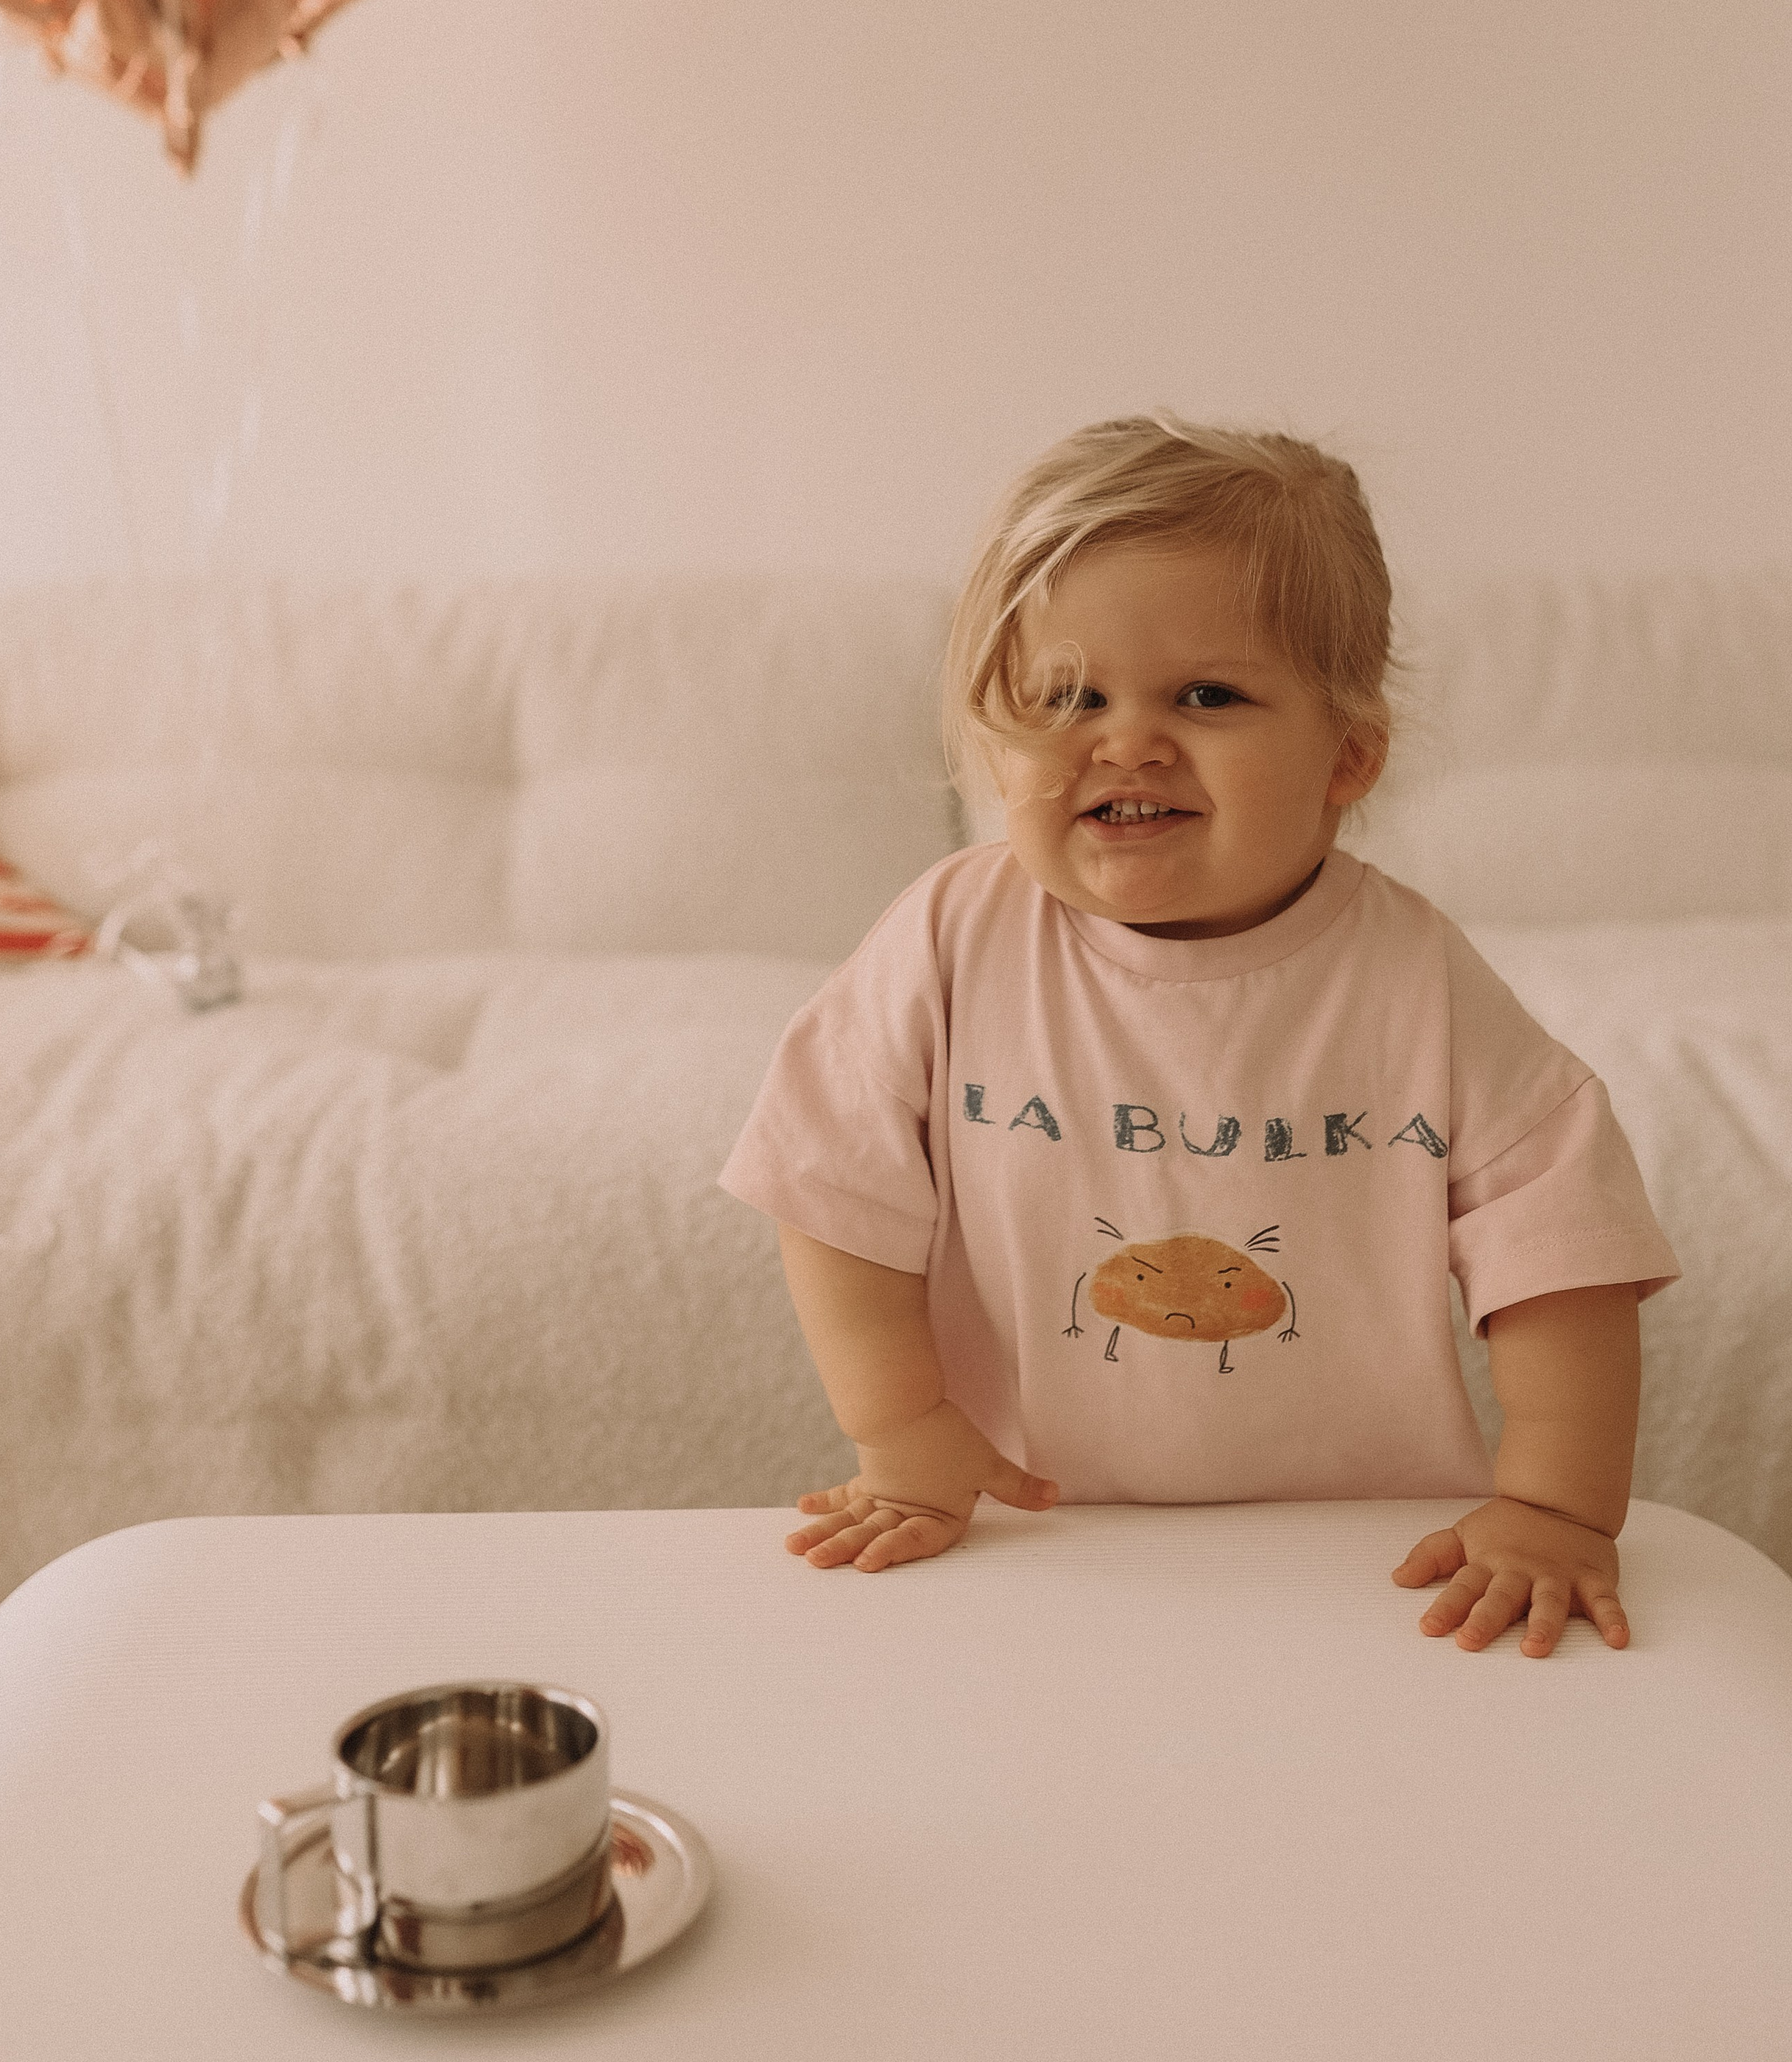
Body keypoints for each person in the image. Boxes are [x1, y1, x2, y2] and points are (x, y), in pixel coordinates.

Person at [719, 412, 1682, 1657]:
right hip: (1038, 1541)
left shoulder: (1409, 975)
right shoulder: (954, 935)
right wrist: (903, 1428)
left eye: (1208, 694)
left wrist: (1557, 1507)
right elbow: (830, 1180)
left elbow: (1563, 1246)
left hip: (1356, 1554)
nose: (1126, 740)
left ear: (1349, 754)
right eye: (1065, 696)